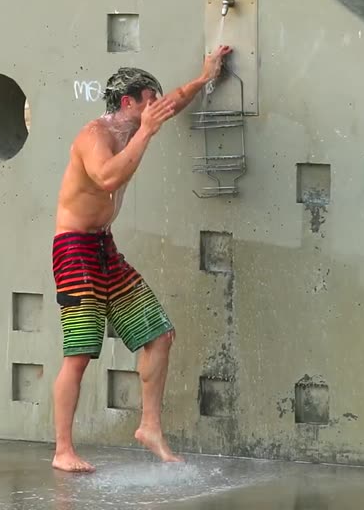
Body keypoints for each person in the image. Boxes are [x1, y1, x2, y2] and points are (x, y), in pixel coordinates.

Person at [50, 46, 233, 473]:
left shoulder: (137, 124)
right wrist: (148, 131)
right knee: (79, 353)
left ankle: (150, 427)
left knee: (159, 334)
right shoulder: (94, 136)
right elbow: (108, 176)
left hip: (103, 246)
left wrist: (206, 75)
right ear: (129, 102)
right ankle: (63, 449)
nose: (158, 108)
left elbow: (178, 98)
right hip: (74, 249)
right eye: (151, 101)